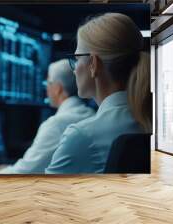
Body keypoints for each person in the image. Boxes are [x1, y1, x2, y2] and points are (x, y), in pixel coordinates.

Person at [45, 13, 152, 174]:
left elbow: (45, 194)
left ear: (93, 64)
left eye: (76, 58)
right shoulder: (149, 120)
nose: (74, 69)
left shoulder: (82, 136)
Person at [0, 59, 94, 174]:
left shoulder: (56, 124)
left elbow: (26, 172)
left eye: (48, 83)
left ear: (58, 88)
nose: (46, 89)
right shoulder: (91, 115)